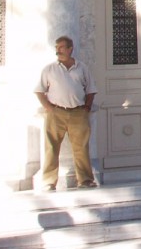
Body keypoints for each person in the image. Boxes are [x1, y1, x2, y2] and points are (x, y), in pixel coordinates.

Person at [34, 36, 98, 191]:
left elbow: (90, 89)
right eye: (57, 47)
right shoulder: (49, 69)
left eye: (61, 47)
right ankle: (49, 181)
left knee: (81, 147)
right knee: (51, 147)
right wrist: (49, 108)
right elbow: (39, 90)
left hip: (78, 112)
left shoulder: (82, 68)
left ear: (70, 49)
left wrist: (87, 107)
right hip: (57, 112)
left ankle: (85, 180)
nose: (58, 50)